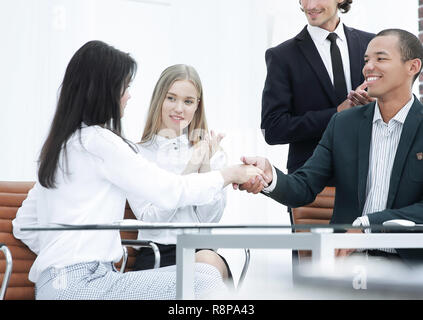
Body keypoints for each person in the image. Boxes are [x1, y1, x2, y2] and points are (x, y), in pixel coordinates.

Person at [12, 40, 267, 300]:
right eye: (125, 87)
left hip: (52, 287)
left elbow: (23, 225)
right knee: (204, 279)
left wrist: (61, 258)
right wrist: (230, 174)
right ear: (105, 91)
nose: (129, 95)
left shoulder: (60, 146)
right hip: (86, 284)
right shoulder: (101, 142)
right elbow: (170, 191)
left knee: (203, 272)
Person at [238, 29, 423, 266]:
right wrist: (269, 176)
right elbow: (303, 186)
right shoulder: (343, 124)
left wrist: (367, 226)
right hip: (347, 266)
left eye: (381, 58)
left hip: (411, 269)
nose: (368, 67)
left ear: (412, 66)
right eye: (366, 60)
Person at [127, 64, 232, 283]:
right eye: (171, 98)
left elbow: (208, 220)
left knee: (207, 262)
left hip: (200, 253)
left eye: (188, 101)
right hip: (155, 254)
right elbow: (150, 218)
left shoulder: (212, 152)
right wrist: (189, 170)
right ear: (159, 100)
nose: (179, 109)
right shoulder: (136, 154)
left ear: (197, 106)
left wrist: (205, 168)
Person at [261, 0, 375, 175]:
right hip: (310, 183)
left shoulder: (372, 44)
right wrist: (336, 114)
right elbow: (273, 128)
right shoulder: (282, 56)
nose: (310, 6)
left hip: (370, 175)